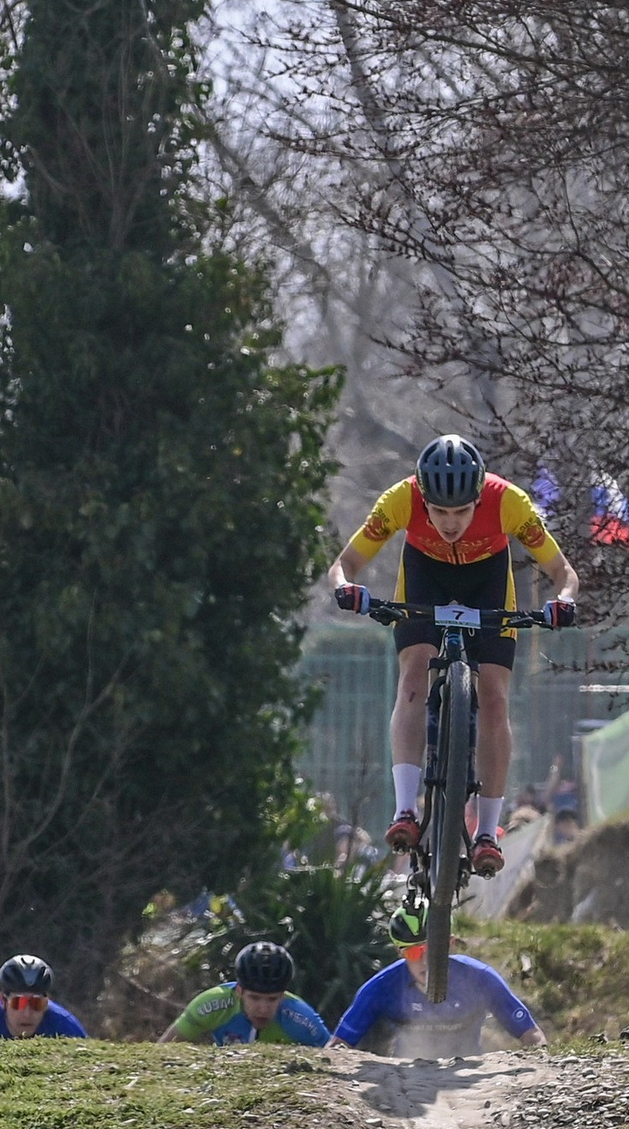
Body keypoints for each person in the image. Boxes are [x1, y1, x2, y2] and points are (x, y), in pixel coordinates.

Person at [327, 435, 580, 879]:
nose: (449, 523)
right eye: (439, 511)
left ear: (479, 496)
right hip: (425, 578)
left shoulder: (509, 503)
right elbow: (345, 562)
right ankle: (405, 809)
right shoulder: (401, 499)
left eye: (461, 511)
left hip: (488, 583)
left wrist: (564, 600)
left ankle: (486, 831)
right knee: (412, 678)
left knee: (495, 699)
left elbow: (563, 572)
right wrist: (345, 587)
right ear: (422, 496)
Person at [330, 909, 546, 1056]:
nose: (425, 960)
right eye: (414, 952)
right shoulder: (382, 986)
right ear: (399, 953)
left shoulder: (479, 977)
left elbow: (531, 1035)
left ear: (450, 945)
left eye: (432, 949)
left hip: (468, 1080)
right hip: (407, 1083)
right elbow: (337, 1047)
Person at [163, 942, 333, 1046]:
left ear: (283, 996)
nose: (263, 1008)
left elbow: (337, 1060)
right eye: (254, 997)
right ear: (239, 991)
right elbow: (161, 1050)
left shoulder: (301, 1018)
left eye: (272, 999)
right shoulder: (210, 1005)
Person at [0, 955, 90, 1039]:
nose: (27, 1014)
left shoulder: (68, 1029)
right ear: (2, 1001)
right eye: (18, 1003)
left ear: (47, 1003)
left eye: (36, 1004)